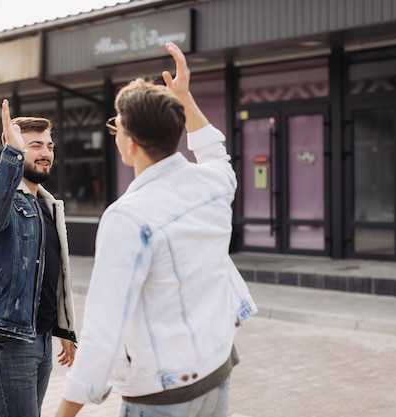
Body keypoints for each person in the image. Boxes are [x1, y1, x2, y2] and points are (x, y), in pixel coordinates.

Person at [55, 42, 257, 417]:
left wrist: (64, 412)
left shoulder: (126, 218)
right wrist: (183, 96)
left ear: (130, 144)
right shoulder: (215, 184)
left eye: (116, 125)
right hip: (218, 370)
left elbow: (103, 330)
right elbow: (215, 152)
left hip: (163, 396)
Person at [0, 99, 77, 417]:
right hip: (6, 340)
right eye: (34, 146)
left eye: (50, 146)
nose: (46, 153)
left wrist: (64, 330)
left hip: (39, 338)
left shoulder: (48, 203)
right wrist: (11, 157)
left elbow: (55, 273)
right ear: (10, 151)